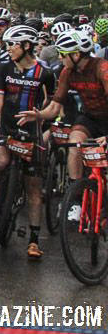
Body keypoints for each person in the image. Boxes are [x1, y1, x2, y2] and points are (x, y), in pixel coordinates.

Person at [0, 23, 54, 260]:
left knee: (34, 188)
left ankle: (34, 240)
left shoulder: (44, 73)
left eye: (13, 44)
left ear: (26, 46)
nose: (9, 48)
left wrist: (44, 122)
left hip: (32, 133)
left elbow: (52, 104)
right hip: (8, 128)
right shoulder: (3, 68)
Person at [30, 29, 108, 226]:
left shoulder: (102, 68)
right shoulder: (68, 72)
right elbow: (55, 105)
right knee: (75, 144)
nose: (60, 59)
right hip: (90, 117)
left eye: (63, 55)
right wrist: (39, 115)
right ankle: (76, 197)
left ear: (76, 54)